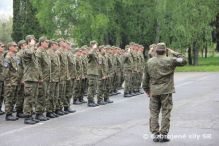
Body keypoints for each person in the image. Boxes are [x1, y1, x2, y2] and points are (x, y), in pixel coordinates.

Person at [142, 43, 187, 142]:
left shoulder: (149, 62)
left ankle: (155, 134)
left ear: (155, 51)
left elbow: (145, 80)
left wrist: (147, 91)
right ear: (165, 50)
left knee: (154, 112)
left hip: (154, 91)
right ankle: (163, 134)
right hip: (166, 91)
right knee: (165, 112)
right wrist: (173, 52)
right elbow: (184, 60)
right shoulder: (170, 60)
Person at [3, 42, 20, 121]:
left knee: (13, 98)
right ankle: (8, 114)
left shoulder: (15, 57)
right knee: (9, 98)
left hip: (15, 81)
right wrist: (8, 82)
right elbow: (5, 72)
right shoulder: (7, 58)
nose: (16, 47)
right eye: (14, 46)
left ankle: (11, 113)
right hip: (10, 82)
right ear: (9, 47)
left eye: (16, 46)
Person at [86, 41, 99, 107]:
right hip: (91, 73)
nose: (96, 46)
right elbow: (90, 54)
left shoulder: (95, 53)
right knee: (91, 87)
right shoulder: (90, 52)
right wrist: (93, 48)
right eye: (95, 45)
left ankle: (92, 100)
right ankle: (90, 101)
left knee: (94, 87)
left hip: (95, 72)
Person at [0, 42, 5, 115]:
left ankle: (0, 107)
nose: (3, 48)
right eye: (2, 46)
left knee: (1, 94)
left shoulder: (2, 56)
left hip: (2, 78)